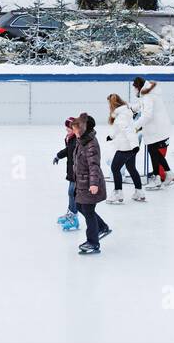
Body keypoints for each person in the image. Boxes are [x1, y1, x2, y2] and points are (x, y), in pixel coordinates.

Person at [70, 113, 111, 254]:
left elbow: (94, 166)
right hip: (81, 183)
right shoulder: (82, 141)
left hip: (89, 184)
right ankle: (102, 227)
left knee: (88, 211)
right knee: (80, 207)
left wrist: (93, 184)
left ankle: (93, 243)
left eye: (75, 129)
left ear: (83, 129)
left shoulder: (90, 144)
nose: (73, 131)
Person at [130, 77, 174, 189]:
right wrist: (130, 108)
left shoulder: (148, 96)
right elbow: (141, 106)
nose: (134, 91)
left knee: (153, 150)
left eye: (135, 88)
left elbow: (147, 114)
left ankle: (160, 177)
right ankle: (167, 174)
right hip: (157, 127)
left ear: (138, 87)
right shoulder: (148, 94)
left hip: (156, 128)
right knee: (153, 151)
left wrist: (135, 126)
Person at [105, 94, 144, 204]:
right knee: (131, 168)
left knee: (115, 168)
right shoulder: (125, 112)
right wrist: (111, 136)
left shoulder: (121, 116)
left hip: (125, 147)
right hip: (129, 147)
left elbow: (128, 131)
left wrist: (134, 145)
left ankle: (118, 193)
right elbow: (118, 129)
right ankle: (139, 192)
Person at [53, 116, 81, 230]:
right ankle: (70, 213)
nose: (66, 129)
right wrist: (58, 156)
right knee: (70, 192)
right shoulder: (70, 138)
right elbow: (68, 151)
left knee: (72, 192)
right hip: (71, 170)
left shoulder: (76, 139)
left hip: (76, 171)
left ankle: (74, 218)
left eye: (68, 127)